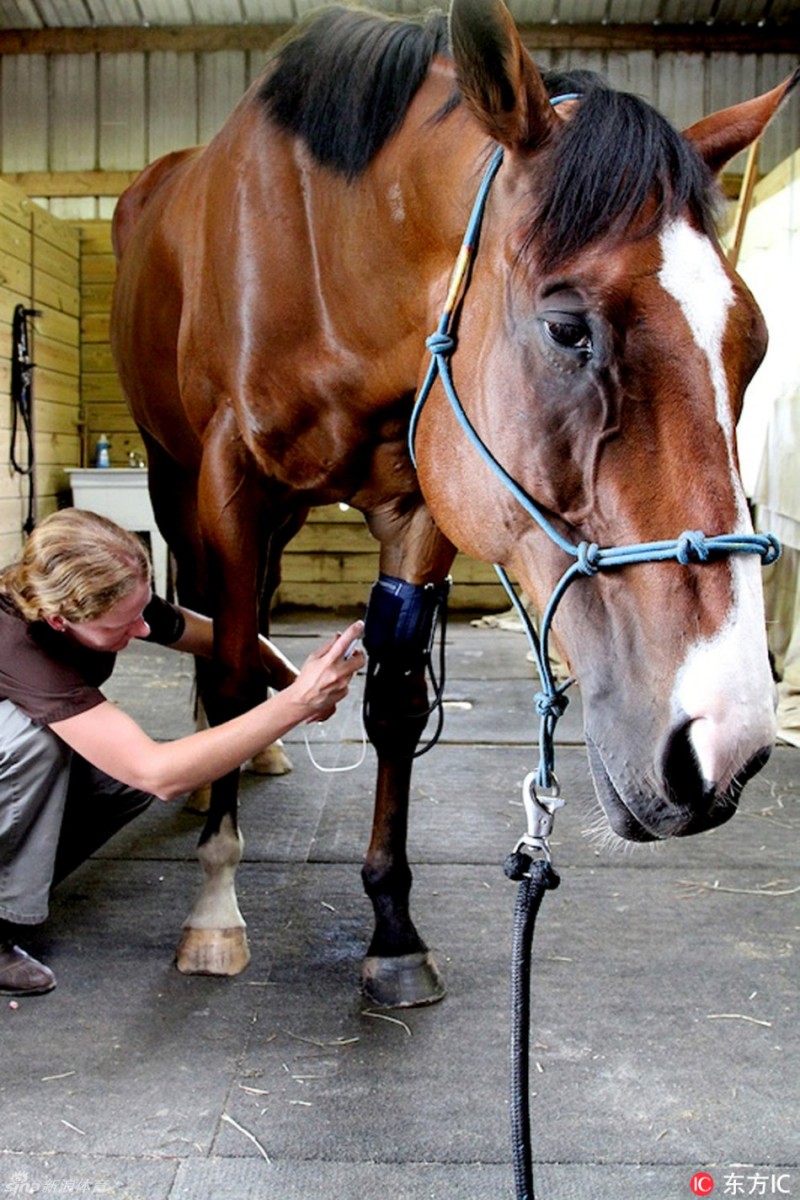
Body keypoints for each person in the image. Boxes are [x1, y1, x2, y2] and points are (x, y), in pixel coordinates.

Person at [0, 508, 365, 997]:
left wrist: (292, 683)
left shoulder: (112, 596)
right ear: (59, 621)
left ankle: (15, 894)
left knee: (116, 784)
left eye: (142, 611)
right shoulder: (22, 644)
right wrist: (296, 707)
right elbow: (159, 773)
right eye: (124, 626)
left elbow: (224, 640)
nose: (145, 631)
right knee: (37, 741)